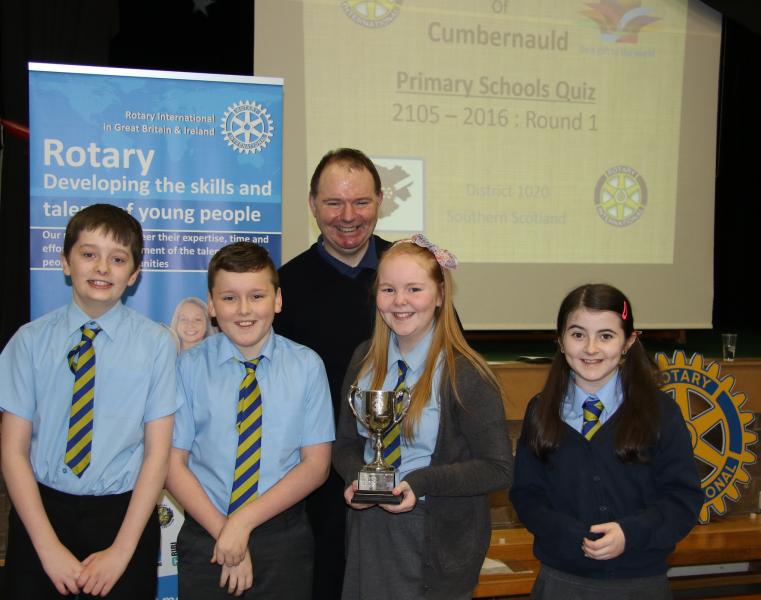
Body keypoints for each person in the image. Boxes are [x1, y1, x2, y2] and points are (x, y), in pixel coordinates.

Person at [0, 203, 178, 599]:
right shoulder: (29, 343)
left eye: (117, 259)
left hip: (123, 518)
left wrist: (122, 551)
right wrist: (47, 549)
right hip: (41, 514)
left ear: (133, 275)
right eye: (88, 254)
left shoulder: (157, 345)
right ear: (65, 263)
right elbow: (12, 451)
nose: (101, 268)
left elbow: (157, 454)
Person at [333, 235, 513, 600]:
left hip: (434, 537)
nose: (400, 302)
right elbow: (345, 445)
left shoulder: (466, 374)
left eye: (414, 289)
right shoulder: (364, 360)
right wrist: (357, 479)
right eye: (388, 289)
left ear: (440, 295)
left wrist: (420, 482)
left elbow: (497, 467)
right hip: (370, 531)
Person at [509, 284, 703, 600]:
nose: (591, 348)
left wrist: (631, 533)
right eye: (578, 334)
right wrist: (567, 533)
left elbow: (684, 499)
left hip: (641, 583)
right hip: (562, 582)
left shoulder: (660, 412)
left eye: (606, 336)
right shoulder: (541, 410)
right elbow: (527, 495)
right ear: (560, 340)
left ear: (629, 341)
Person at [166, 242, 334, 599]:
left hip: (282, 540)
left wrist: (243, 523)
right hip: (205, 536)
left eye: (257, 296)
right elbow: (172, 463)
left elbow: (316, 466)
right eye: (229, 298)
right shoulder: (187, 367)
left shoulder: (307, 367)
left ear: (277, 300)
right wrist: (226, 532)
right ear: (211, 305)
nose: (244, 310)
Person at [274, 147, 389, 599]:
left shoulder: (414, 273)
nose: (348, 216)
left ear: (380, 201)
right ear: (312, 205)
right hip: (317, 484)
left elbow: (451, 360)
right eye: (333, 203)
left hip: (410, 475)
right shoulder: (286, 287)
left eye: (360, 202)